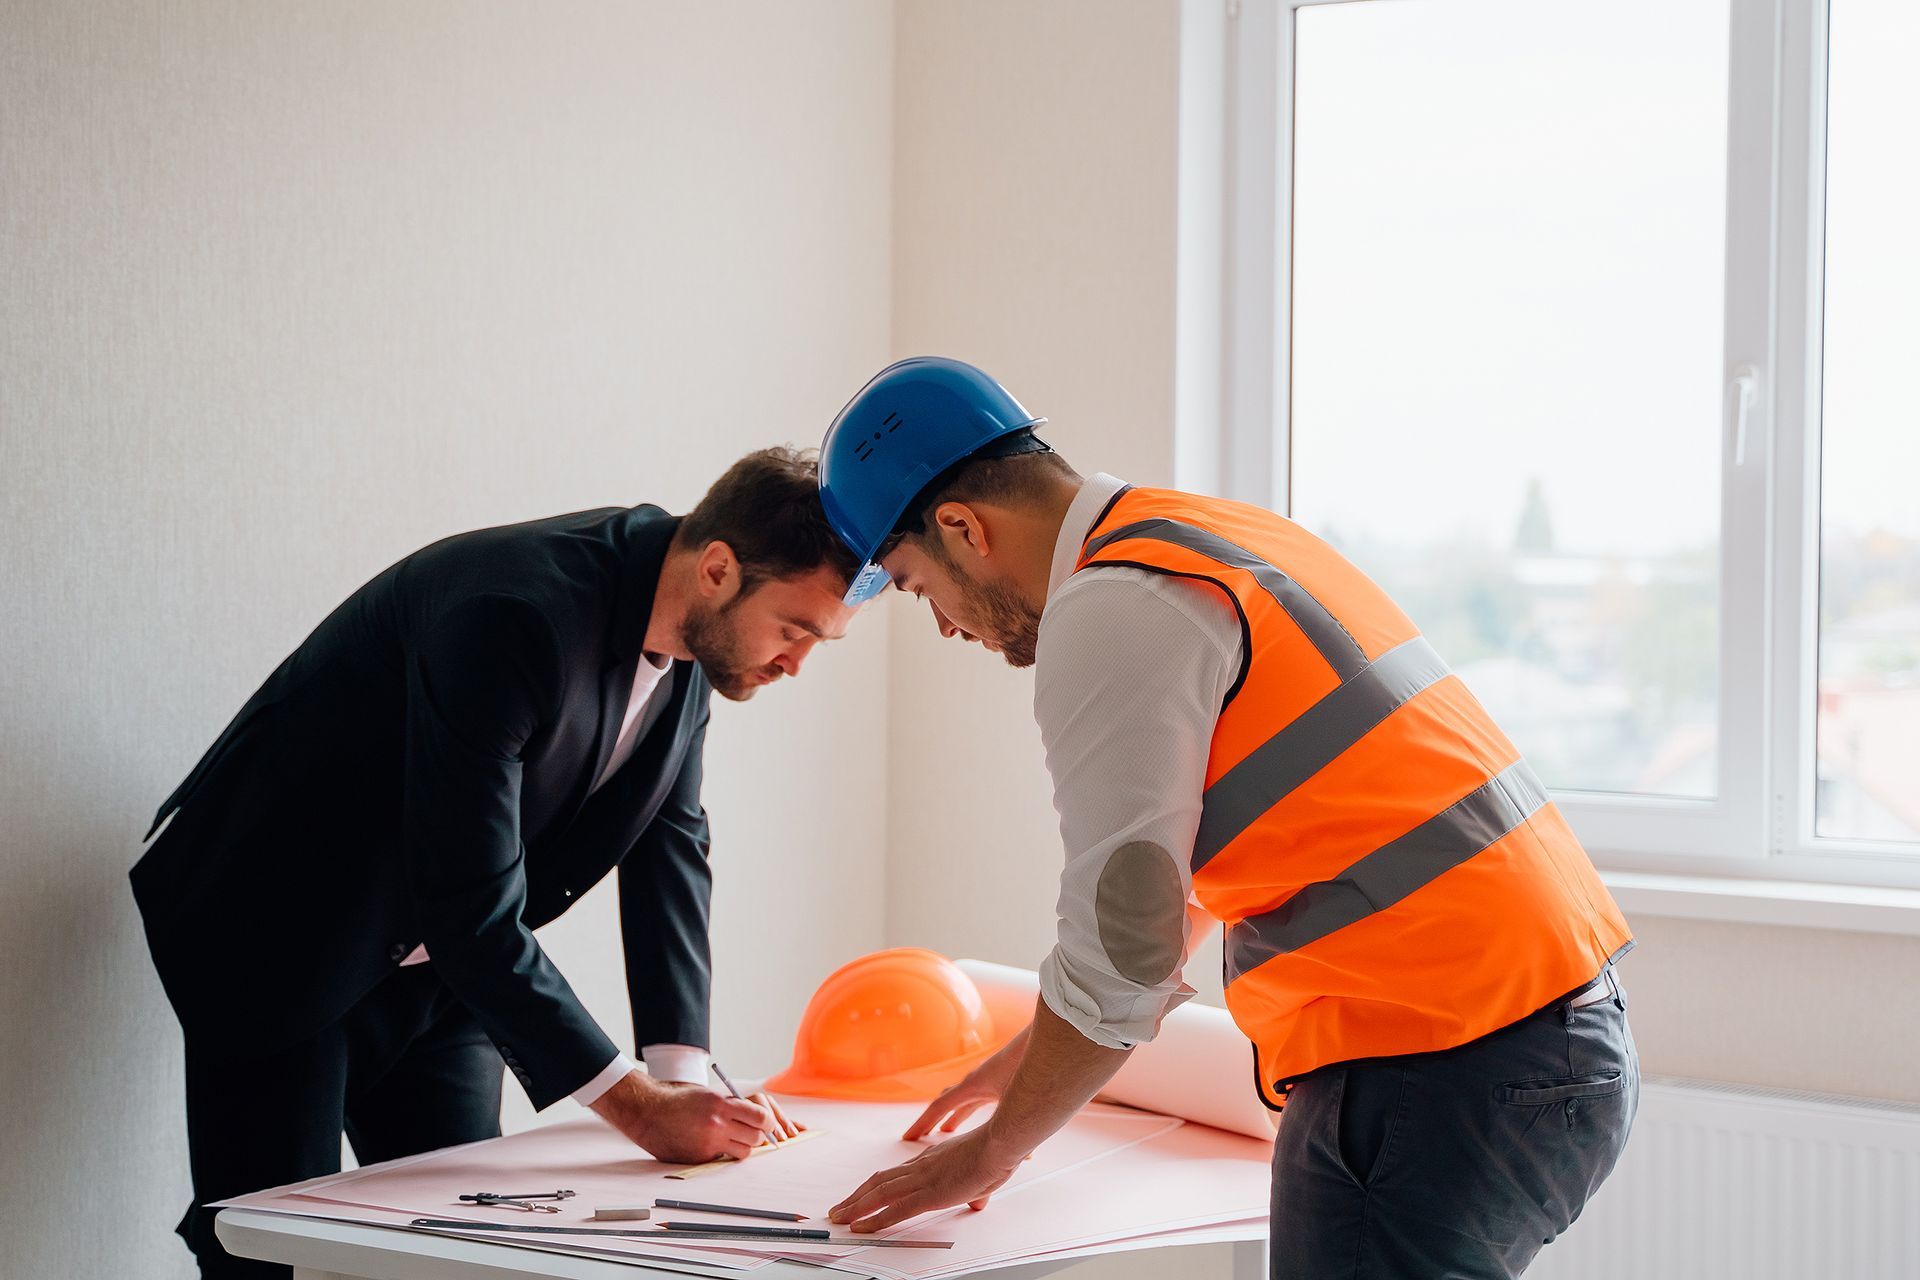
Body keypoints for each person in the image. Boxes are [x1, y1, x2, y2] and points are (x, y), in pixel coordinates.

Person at [814, 359, 1638, 1278]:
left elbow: (1119, 949)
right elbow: (1184, 892)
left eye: (918, 586)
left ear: (964, 529)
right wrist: (1028, 1058)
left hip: (1435, 1057)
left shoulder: (1114, 605)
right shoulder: (1207, 536)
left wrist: (991, 1149)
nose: (945, 628)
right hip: (1548, 1036)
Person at [132, 447, 851, 1279]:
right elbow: (468, 907)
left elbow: (671, 845)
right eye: (795, 629)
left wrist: (685, 1077)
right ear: (718, 570)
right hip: (278, 938)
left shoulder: (697, 645)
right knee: (270, 1250)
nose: (796, 662)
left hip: (439, 974)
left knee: (468, 1250)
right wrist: (638, 1108)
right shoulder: (514, 612)